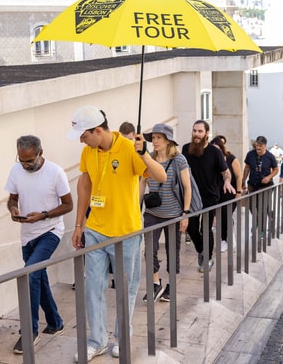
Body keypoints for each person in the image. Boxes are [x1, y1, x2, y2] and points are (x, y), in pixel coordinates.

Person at [68, 106, 166, 362]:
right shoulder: (88, 151)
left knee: (126, 290)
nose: (81, 140)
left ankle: (122, 339)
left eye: (84, 135)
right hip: (95, 231)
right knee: (92, 288)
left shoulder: (128, 148)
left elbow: (161, 176)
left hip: (126, 235)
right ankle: (97, 341)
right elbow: (85, 186)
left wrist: (144, 155)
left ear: (98, 131)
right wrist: (79, 225)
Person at [5, 135, 73, 354]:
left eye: (29, 161)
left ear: (40, 153)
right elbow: (12, 198)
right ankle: (55, 323)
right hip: (27, 234)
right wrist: (13, 209)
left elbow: (68, 205)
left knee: (30, 274)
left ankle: (29, 331)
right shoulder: (16, 171)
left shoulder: (56, 172)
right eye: (21, 160)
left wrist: (43, 215)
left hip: (50, 231)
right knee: (38, 277)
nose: (25, 165)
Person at [142, 123, 191, 302]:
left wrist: (185, 214)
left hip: (174, 214)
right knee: (149, 250)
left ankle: (171, 285)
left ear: (168, 140)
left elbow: (187, 187)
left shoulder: (179, 160)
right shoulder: (149, 159)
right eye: (153, 138)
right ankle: (155, 284)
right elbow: (142, 183)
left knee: (173, 251)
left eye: (158, 138)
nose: (154, 141)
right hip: (152, 213)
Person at [181, 120, 235, 272]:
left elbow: (226, 172)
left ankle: (208, 258)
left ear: (206, 133)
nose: (196, 134)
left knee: (206, 229)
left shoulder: (215, 152)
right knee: (191, 228)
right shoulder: (186, 149)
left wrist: (227, 182)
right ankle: (201, 251)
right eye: (194, 131)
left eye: (200, 131)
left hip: (210, 198)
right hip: (191, 197)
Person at [241, 136, 279, 236]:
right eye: (257, 145)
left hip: (266, 186)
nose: (258, 148)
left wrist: (269, 177)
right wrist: (243, 180)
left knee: (262, 208)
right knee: (252, 206)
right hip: (252, 185)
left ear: (265, 146)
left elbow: (276, 169)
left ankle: (262, 229)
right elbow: (247, 168)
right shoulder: (250, 154)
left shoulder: (270, 156)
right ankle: (257, 221)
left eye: (260, 146)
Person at [211, 136, 243, 252]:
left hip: (231, 192)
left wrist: (239, 192)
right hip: (217, 192)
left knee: (225, 215)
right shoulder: (211, 160)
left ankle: (225, 239)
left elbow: (239, 176)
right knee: (220, 217)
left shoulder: (231, 159)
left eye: (217, 148)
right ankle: (227, 237)